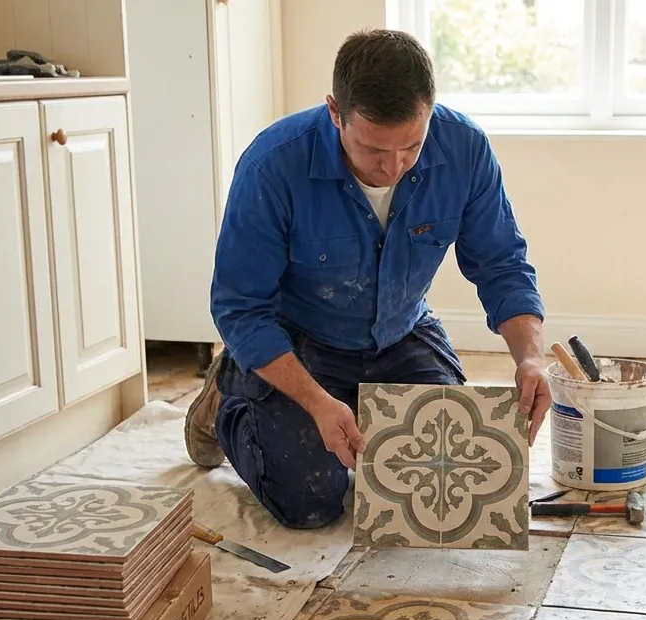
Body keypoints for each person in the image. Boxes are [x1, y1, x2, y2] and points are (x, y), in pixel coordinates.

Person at [183, 28, 549, 529]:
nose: (394, 167)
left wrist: (530, 356)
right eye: (375, 149)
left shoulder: (466, 149)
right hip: (299, 341)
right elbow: (239, 307)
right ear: (336, 112)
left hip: (398, 333)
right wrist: (315, 403)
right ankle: (233, 393)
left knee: (454, 477)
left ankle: (354, 404)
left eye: (412, 148)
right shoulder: (272, 166)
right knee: (312, 502)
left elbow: (502, 262)